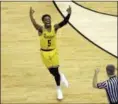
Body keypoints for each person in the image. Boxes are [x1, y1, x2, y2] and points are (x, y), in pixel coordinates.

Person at [29, 6, 72, 100]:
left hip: (53, 51)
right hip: (44, 53)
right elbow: (34, 23)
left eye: (49, 19)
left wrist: (69, 13)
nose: (48, 20)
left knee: (55, 72)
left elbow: (64, 22)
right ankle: (62, 75)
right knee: (53, 72)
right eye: (46, 19)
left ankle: (59, 90)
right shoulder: (40, 29)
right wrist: (31, 15)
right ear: (43, 21)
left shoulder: (55, 27)